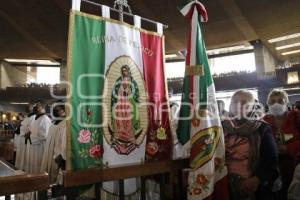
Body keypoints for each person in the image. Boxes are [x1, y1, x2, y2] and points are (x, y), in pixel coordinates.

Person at [223, 90, 278, 200]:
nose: (238, 105)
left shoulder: (262, 128)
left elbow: (271, 159)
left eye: (244, 103)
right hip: (224, 184)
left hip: (252, 185)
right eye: (235, 102)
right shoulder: (221, 127)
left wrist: (257, 179)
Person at [263, 89, 300, 200]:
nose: (276, 104)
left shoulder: (297, 117)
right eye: (272, 101)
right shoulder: (264, 122)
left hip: (296, 168)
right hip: (273, 172)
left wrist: (288, 148)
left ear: (287, 103)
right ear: (268, 104)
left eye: (280, 101)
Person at [40, 102, 66, 183]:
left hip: (58, 154)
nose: (59, 111)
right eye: (57, 110)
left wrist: (60, 155)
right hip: (49, 152)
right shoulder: (53, 123)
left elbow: (63, 141)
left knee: (56, 175)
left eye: (61, 109)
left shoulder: (65, 123)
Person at [26, 101, 51, 173]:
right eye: (36, 105)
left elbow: (44, 135)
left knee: (39, 165)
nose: (36, 107)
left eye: (38, 106)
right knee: (34, 164)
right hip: (34, 146)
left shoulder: (44, 119)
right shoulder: (37, 118)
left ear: (43, 107)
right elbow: (33, 130)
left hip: (40, 147)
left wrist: (31, 136)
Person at [15, 104, 35, 170]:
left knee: (25, 155)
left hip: (26, 139)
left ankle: (24, 167)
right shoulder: (27, 117)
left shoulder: (33, 117)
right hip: (22, 138)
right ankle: (21, 167)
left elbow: (31, 128)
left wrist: (25, 131)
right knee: (22, 154)